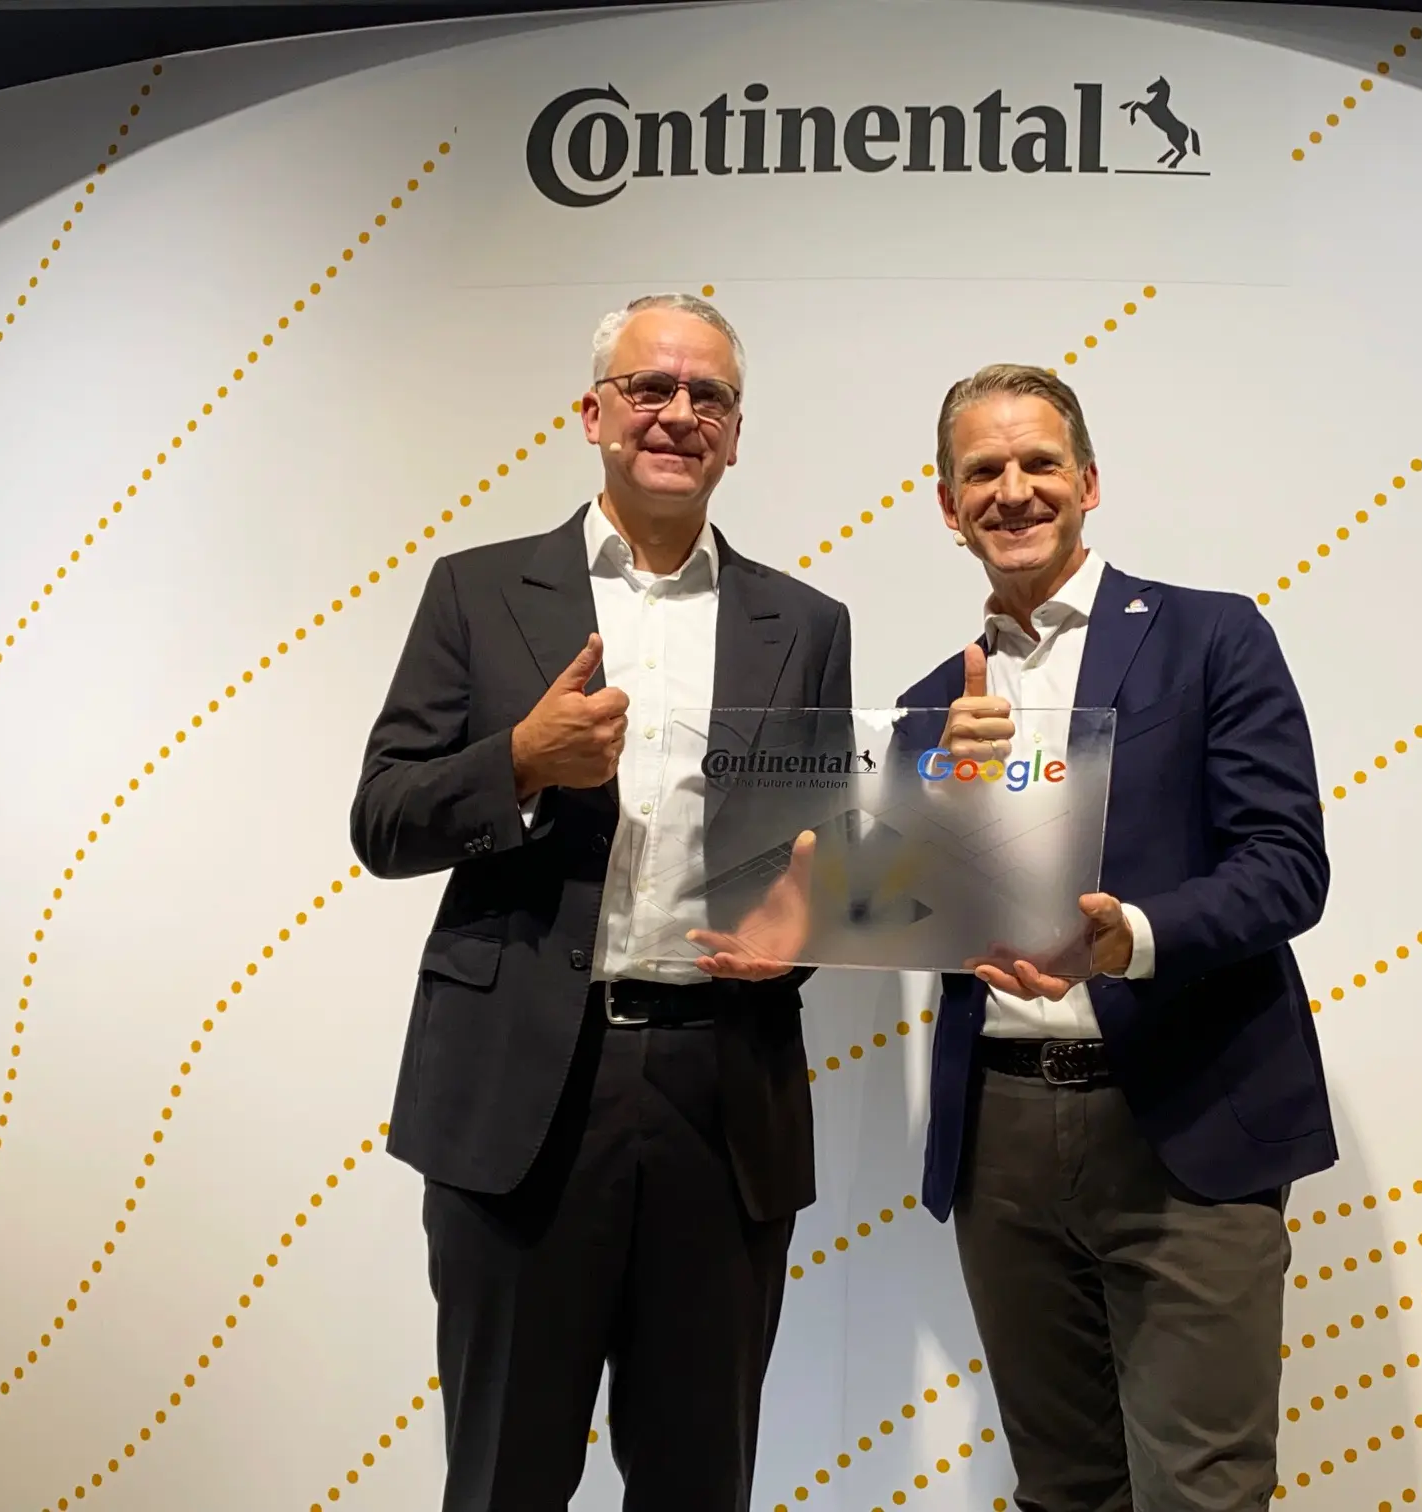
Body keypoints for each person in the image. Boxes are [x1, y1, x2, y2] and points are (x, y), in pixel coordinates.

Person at [348, 293, 851, 1512]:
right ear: (593, 414)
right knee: (505, 1477)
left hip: (722, 1099)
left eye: (709, 396)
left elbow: (827, 854)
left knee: (699, 1482)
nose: (679, 413)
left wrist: (808, 929)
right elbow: (384, 819)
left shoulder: (806, 624)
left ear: (737, 434)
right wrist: (519, 761)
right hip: (521, 1099)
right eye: (650, 387)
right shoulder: (477, 592)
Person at [896, 363, 1337, 1512]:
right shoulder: (927, 707)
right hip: (1000, 1140)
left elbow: (1287, 866)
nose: (1014, 490)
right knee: (1064, 1492)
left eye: (1039, 462)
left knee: (1201, 1492)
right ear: (948, 506)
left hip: (1187, 1118)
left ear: (1088, 482)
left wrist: (1132, 936)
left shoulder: (1212, 637)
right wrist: (933, 791)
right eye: (983, 471)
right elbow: (896, 909)